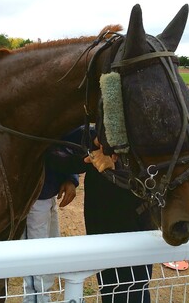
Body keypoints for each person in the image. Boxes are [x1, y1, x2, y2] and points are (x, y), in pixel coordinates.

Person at [47, 127, 154, 303]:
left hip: (133, 214)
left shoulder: (145, 115)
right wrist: (94, 147)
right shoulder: (97, 123)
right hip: (101, 213)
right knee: (110, 284)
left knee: (133, 285)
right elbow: (66, 149)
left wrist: (113, 157)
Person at [22, 143, 79, 303]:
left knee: (50, 254)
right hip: (32, 195)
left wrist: (70, 178)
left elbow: (66, 136)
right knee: (36, 259)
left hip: (49, 190)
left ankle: (42, 299)